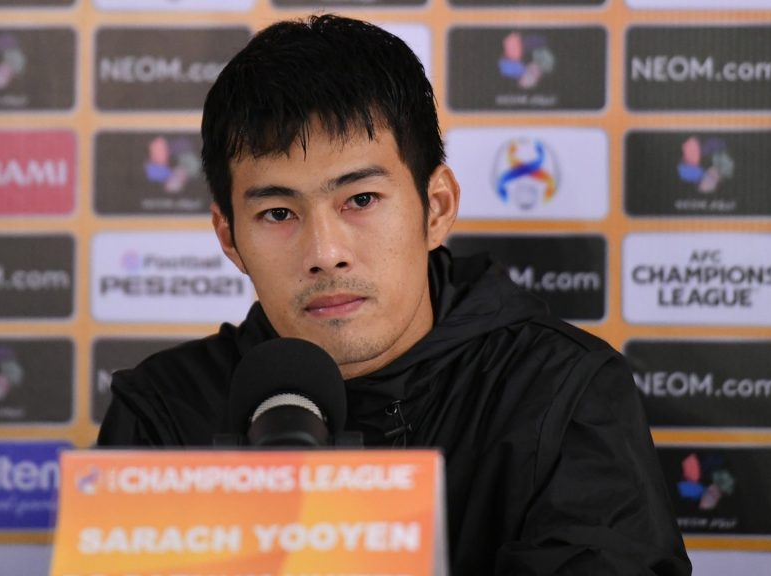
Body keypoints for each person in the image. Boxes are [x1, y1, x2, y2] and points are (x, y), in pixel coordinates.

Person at [98, 14, 691, 575]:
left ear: (436, 208)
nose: (325, 252)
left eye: (360, 200)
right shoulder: (163, 415)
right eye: (278, 212)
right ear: (229, 237)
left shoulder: (562, 394)